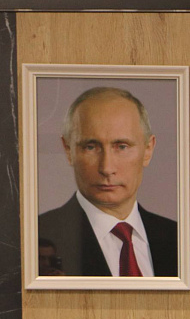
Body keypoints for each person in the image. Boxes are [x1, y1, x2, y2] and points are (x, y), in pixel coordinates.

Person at [37, 86, 177, 277]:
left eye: (122, 146)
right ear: (68, 150)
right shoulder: (34, 237)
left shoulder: (180, 239)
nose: (106, 168)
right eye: (91, 147)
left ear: (148, 150)